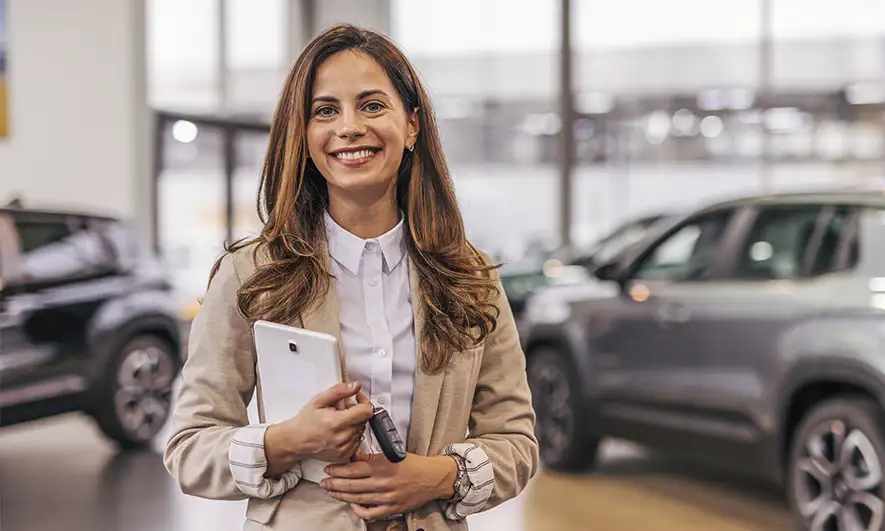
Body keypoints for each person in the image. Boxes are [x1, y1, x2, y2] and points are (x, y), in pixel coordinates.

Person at [164, 24, 538, 531]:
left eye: (372, 106)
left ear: (411, 126)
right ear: (305, 135)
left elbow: (516, 442)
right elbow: (189, 445)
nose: (349, 127)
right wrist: (288, 441)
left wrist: (437, 476)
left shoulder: (468, 276)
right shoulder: (252, 274)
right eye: (325, 110)